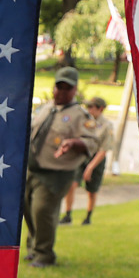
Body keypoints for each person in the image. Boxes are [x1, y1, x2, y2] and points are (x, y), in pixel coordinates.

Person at [22, 67, 101, 267]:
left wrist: (74, 143)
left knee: (42, 211)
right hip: (32, 168)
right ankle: (33, 247)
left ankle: (44, 255)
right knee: (28, 209)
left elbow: (92, 142)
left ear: (74, 90)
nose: (62, 92)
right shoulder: (46, 108)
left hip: (56, 173)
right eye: (59, 87)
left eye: (67, 88)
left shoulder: (80, 116)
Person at [60, 96, 113, 225]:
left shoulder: (106, 126)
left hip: (96, 158)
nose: (88, 109)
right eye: (87, 106)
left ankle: (88, 217)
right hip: (81, 156)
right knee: (71, 184)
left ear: (100, 109)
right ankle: (68, 215)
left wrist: (90, 167)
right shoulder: (83, 121)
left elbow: (104, 149)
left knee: (92, 191)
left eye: (91, 107)